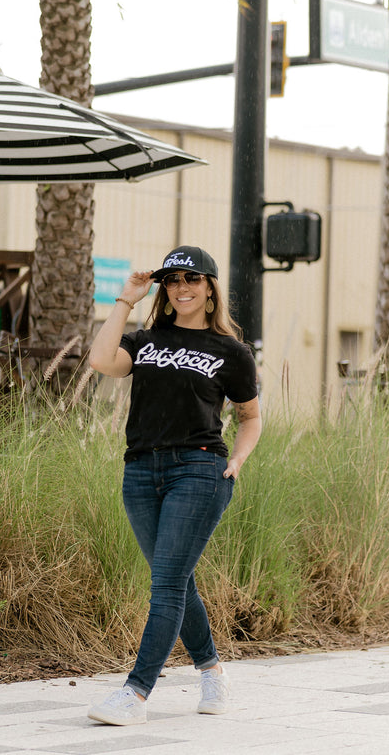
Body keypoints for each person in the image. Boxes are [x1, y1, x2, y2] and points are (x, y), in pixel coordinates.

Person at [87, 245, 261, 726]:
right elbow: (101, 361)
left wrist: (239, 460)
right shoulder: (146, 338)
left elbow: (250, 418)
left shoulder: (231, 351)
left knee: (164, 585)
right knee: (176, 581)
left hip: (199, 470)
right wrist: (126, 298)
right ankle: (212, 673)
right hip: (141, 469)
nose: (181, 287)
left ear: (209, 288)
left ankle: (134, 695)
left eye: (191, 278)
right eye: (172, 280)